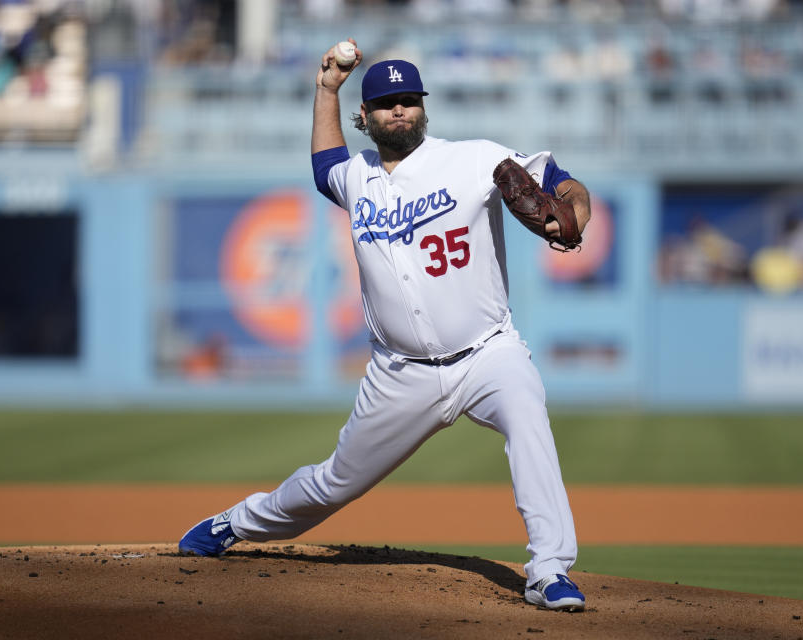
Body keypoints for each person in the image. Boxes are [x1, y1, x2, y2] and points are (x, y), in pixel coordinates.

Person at [178, 39, 593, 612]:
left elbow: (563, 182)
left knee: (529, 421)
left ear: (423, 108)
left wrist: (573, 212)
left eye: (408, 99)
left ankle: (549, 570)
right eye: (386, 103)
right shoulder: (357, 178)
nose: (399, 110)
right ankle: (237, 522)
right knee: (332, 484)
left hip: (487, 354)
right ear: (367, 117)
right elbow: (325, 167)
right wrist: (327, 88)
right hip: (401, 375)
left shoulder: (474, 158)